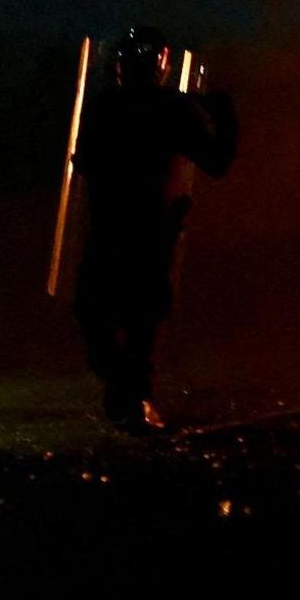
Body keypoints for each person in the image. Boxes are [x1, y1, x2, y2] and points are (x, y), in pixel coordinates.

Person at [73, 26, 237, 434]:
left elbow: (87, 163)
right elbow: (216, 161)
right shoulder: (156, 107)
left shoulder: (116, 107)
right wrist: (223, 117)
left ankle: (131, 395)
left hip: (131, 227)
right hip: (138, 227)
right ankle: (128, 392)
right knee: (124, 315)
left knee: (122, 314)